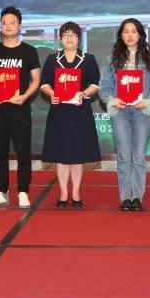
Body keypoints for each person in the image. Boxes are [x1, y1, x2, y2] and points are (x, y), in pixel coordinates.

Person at [99, 18, 150, 211]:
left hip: (141, 111)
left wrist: (149, 101)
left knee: (138, 156)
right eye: (125, 31)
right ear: (120, 35)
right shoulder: (111, 60)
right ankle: (125, 198)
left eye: (134, 31)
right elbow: (104, 87)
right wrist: (112, 100)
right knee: (124, 155)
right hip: (119, 112)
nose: (129, 35)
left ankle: (137, 197)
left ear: (140, 35)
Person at [0, 6, 41, 209]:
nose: (8, 26)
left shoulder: (29, 51)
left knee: (23, 152)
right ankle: (1, 191)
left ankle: (23, 191)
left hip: (20, 109)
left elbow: (36, 79)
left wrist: (25, 96)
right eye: (4, 23)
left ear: (19, 26)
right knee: (0, 152)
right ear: (0, 25)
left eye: (12, 22)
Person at [40, 22, 101, 207]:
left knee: (77, 154)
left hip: (80, 112)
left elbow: (95, 84)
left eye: (73, 35)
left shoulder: (88, 59)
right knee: (61, 154)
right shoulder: (52, 59)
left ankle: (75, 192)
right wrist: (51, 93)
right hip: (59, 112)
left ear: (78, 39)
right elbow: (44, 84)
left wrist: (84, 93)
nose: (69, 38)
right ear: (61, 38)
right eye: (65, 34)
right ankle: (63, 193)